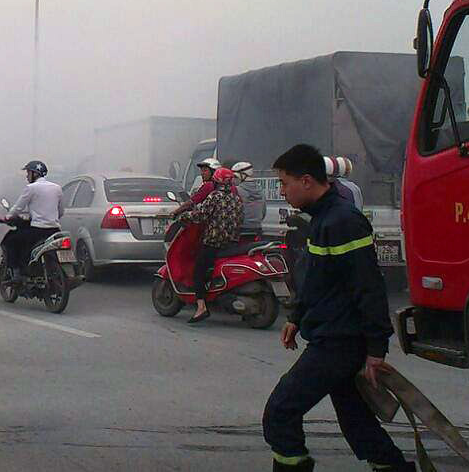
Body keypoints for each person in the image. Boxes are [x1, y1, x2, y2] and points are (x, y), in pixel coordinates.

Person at [261, 144, 412, 472]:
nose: (282, 191)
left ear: (305, 181)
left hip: (339, 342)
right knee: (358, 423)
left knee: (280, 412)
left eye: (284, 184)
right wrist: (297, 318)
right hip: (332, 334)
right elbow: (319, 280)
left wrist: (376, 348)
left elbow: (368, 286)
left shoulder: (343, 220)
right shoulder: (322, 219)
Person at [169, 166, 244, 325]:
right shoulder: (237, 199)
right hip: (232, 243)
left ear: (216, 181)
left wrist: (183, 217)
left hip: (213, 242)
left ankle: (201, 306)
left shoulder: (214, 197)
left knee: (198, 272)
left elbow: (200, 214)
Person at [1, 160, 65, 282]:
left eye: (28, 173)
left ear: (34, 174)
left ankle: (17, 273)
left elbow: (18, 207)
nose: (26, 176)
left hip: (37, 230)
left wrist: (7, 217)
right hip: (55, 230)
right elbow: (61, 211)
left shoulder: (31, 188)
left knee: (11, 241)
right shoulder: (57, 188)